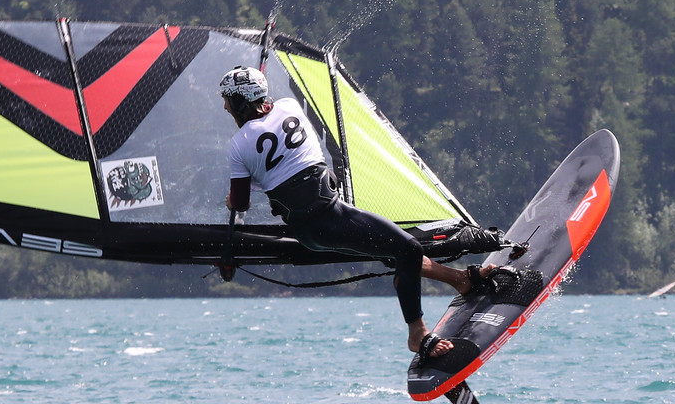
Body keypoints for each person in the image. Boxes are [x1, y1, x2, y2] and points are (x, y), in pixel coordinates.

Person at [219, 66, 512, 362]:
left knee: (398, 251)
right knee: (405, 248)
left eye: (228, 100)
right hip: (329, 214)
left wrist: (232, 201)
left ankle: (458, 280)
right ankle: (418, 333)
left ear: (241, 102)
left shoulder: (238, 146)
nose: (225, 106)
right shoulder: (288, 106)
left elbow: (241, 202)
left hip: (312, 228)